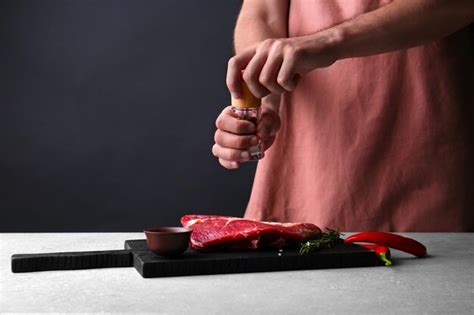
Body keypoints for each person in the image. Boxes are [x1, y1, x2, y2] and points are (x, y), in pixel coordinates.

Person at [212, 0, 474, 231]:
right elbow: (263, 13)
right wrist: (265, 101)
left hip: (423, 145)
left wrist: (328, 41)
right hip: (310, 159)